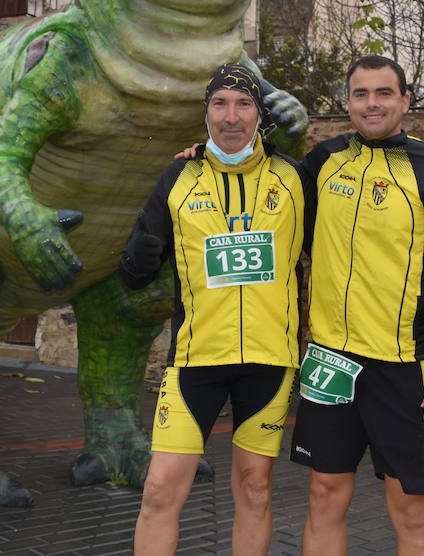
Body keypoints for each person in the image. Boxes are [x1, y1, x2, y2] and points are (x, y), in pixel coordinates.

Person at [291, 54, 424, 556]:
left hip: (407, 368)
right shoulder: (323, 160)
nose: (371, 103)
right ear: (348, 102)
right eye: (361, 94)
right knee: (323, 496)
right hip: (330, 361)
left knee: (411, 512)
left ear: (405, 100)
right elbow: (262, 186)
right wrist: (200, 155)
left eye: (383, 93)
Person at [119, 63, 313, 556]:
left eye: (243, 103)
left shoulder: (294, 179)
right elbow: (134, 272)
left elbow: (333, 258)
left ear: (259, 114)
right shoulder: (178, 175)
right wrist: (139, 253)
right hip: (195, 361)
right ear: (205, 113)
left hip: (270, 361)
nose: (232, 116)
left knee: (254, 489)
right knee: (161, 489)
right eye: (220, 104)